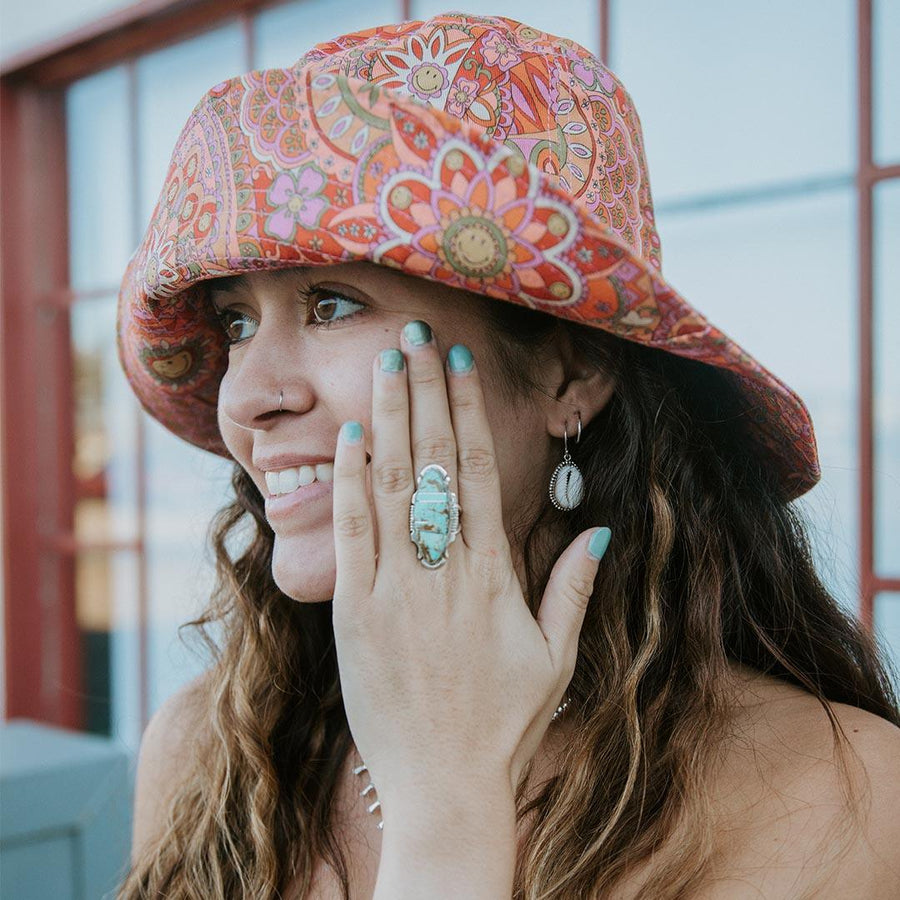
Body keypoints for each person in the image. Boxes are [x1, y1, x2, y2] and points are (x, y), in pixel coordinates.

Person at [116, 12, 900, 899]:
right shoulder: (204, 753)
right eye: (236, 321)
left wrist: (447, 816)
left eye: (331, 304)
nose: (248, 396)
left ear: (574, 368)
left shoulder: (835, 795)